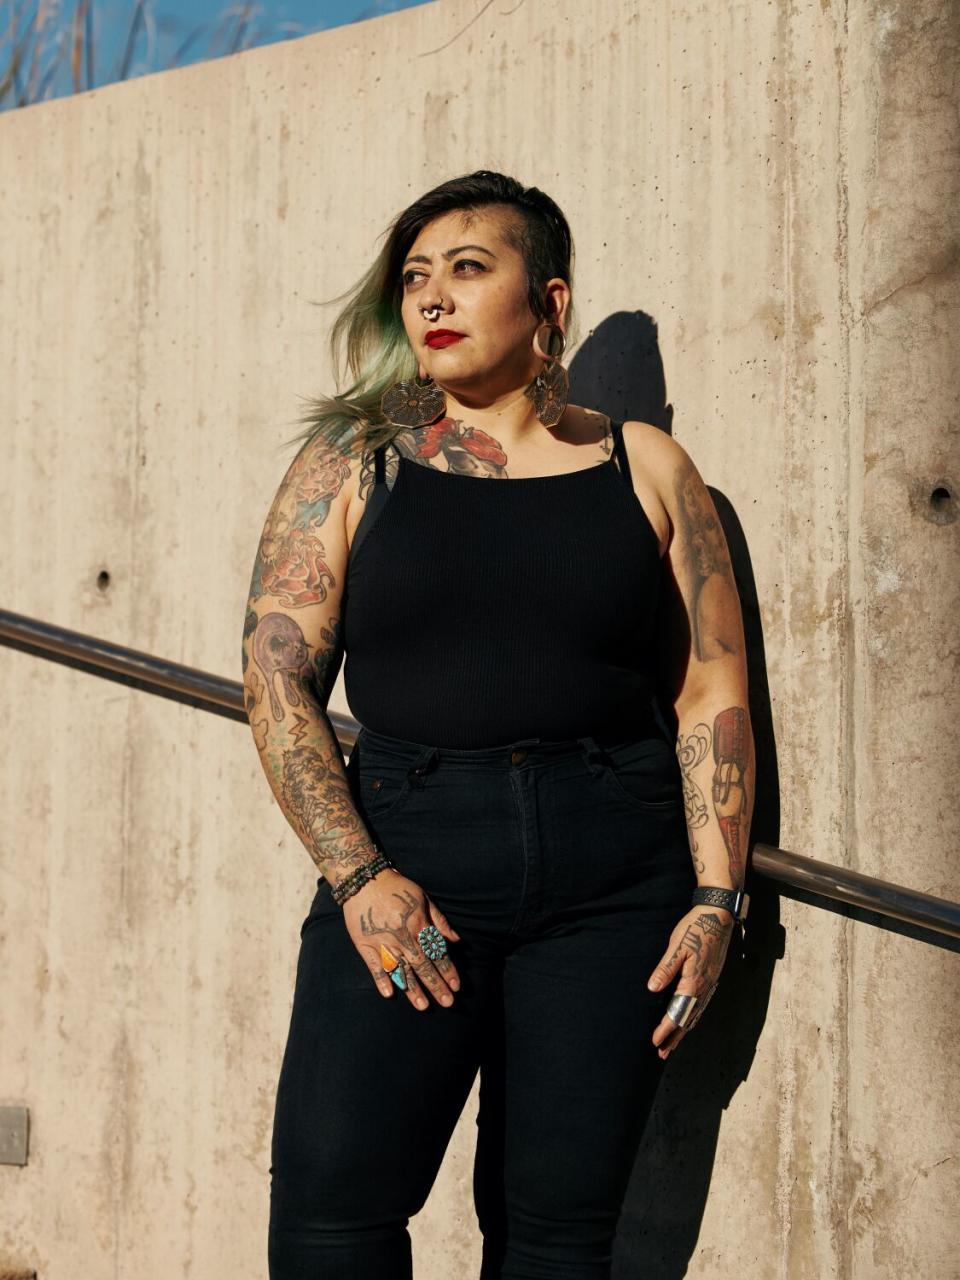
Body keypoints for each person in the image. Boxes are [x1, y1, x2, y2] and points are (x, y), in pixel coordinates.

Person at [241, 169, 755, 1280]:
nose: (432, 297)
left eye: (469, 270)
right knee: (334, 1211)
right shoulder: (356, 457)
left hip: (614, 878)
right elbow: (279, 678)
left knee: (559, 1233)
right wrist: (357, 874)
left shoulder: (648, 465)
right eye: (416, 278)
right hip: (410, 857)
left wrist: (718, 897)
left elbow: (710, 690)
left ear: (551, 302)